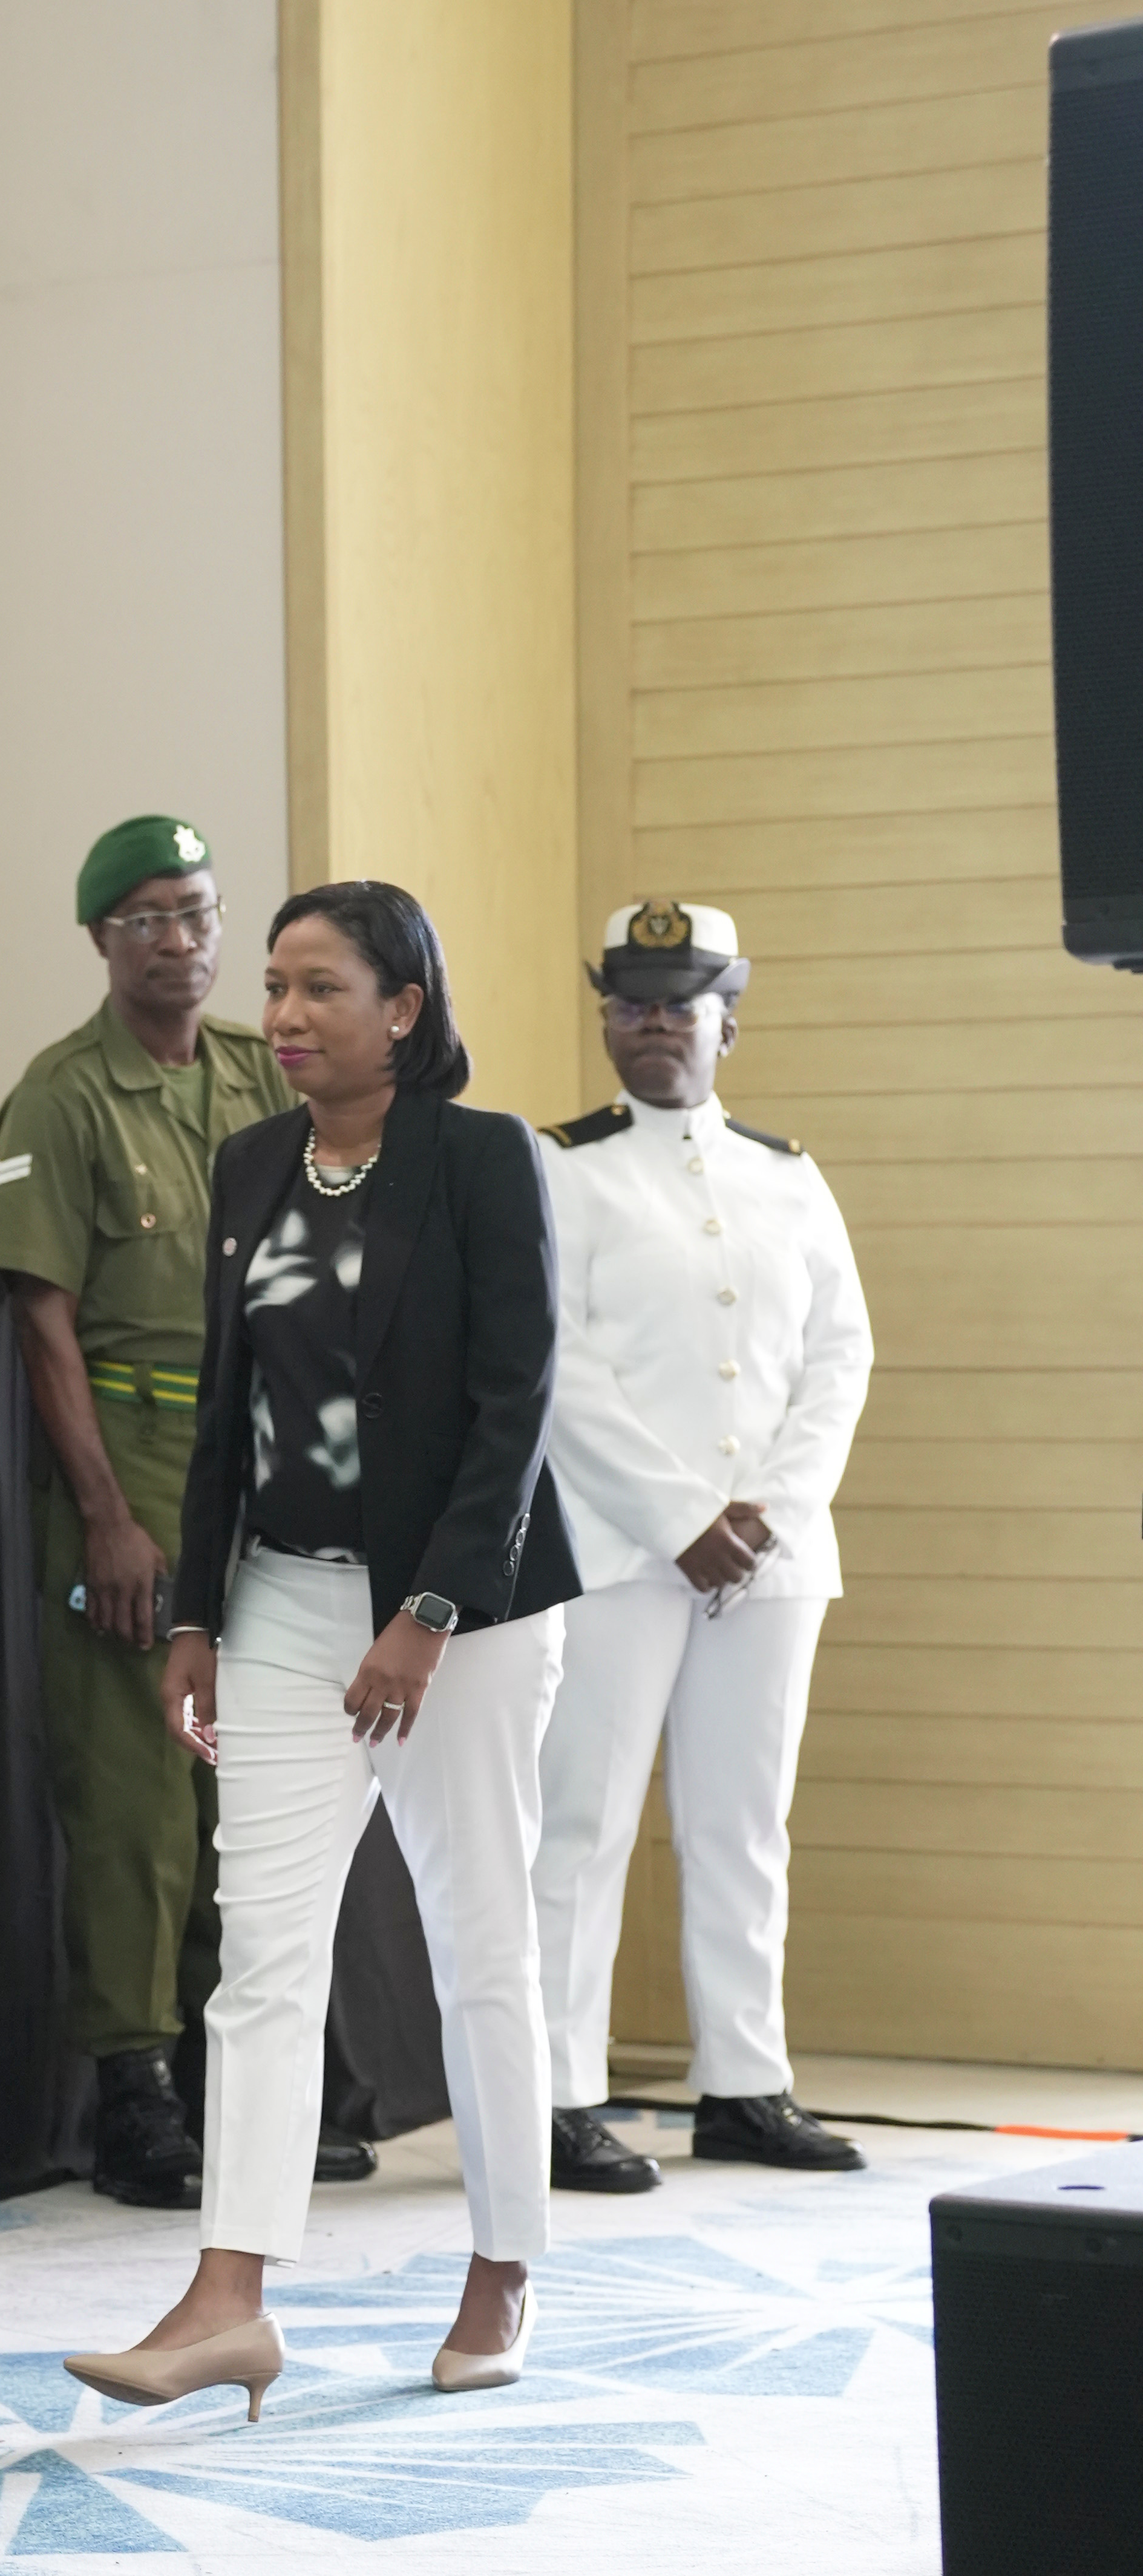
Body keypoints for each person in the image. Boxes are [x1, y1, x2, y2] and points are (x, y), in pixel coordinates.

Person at [62, 880, 577, 2420]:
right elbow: (224, 1412)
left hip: (463, 1611)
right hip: (280, 1598)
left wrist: (428, 1614)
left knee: (479, 1941)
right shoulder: (250, 1167)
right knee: (261, 1952)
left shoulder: (483, 1160)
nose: (281, 1015)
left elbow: (514, 1405)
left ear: (401, 1009)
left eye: (319, 988)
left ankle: (503, 2263)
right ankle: (228, 2297)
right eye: (276, 986)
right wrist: (195, 1618)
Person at [0, 816, 344, 2209]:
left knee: (258, 1780)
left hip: (269, 1454)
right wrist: (104, 1518)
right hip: (132, 1457)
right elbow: (42, 1321)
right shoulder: (60, 1097)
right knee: (138, 1790)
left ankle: (237, 2078)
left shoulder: (261, 1072)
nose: (177, 941)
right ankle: (133, 2087)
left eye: (195, 912)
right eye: (144, 918)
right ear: (100, 938)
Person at [532, 899, 874, 2190]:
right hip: (622, 1553)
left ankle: (743, 2083)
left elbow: (838, 1356)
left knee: (743, 1825)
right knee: (583, 1823)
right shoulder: (562, 1170)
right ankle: (558, 2094)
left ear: (729, 1021)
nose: (654, 1024)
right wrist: (682, 1519)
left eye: (681, 1003)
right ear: (606, 1022)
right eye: (629, 1004)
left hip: (772, 1560)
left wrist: (770, 1510)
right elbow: (555, 1366)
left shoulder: (789, 1176)